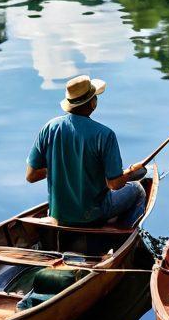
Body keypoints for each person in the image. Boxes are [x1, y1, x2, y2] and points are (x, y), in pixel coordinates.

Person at [26, 74, 146, 227]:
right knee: (137, 189)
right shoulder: (104, 134)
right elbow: (114, 184)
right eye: (95, 97)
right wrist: (130, 171)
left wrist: (64, 166)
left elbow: (31, 176)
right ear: (92, 104)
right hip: (93, 214)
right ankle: (124, 234)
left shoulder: (49, 128)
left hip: (57, 215)